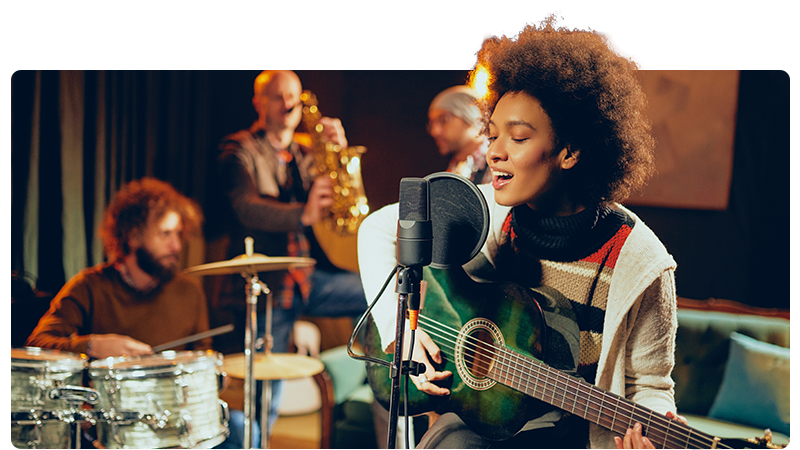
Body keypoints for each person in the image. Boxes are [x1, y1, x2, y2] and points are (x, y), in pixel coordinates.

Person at [358, 12, 686, 450]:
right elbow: (378, 229)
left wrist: (655, 427)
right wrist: (402, 336)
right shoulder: (491, 211)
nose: (494, 153)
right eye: (492, 135)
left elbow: (650, 384)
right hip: (489, 423)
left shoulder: (642, 262)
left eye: (518, 138)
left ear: (569, 151)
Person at [211, 69, 368, 449]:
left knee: (379, 289)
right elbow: (246, 207)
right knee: (266, 393)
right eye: (278, 96)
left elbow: (341, 199)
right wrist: (303, 214)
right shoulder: (239, 149)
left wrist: (339, 152)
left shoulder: (304, 151)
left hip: (310, 278)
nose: (288, 104)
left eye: (293, 96)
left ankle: (382, 376)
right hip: (269, 286)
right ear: (258, 102)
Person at [27, 177, 210, 357]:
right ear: (133, 235)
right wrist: (92, 346)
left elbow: (203, 355)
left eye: (178, 234)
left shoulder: (190, 291)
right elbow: (37, 344)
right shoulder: (89, 286)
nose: (176, 246)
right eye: (165, 234)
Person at [427, 85, 491, 184]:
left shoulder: (496, 160)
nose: (435, 132)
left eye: (444, 119)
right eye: (432, 124)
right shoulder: (455, 168)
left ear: (470, 116)